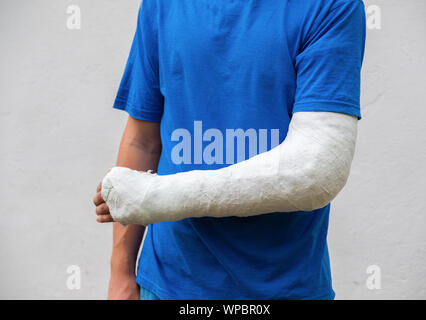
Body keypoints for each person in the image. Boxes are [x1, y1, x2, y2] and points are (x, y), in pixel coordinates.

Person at [93, 0, 366, 300]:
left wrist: (148, 197)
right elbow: (142, 140)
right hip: (168, 283)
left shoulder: (331, 6)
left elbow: (315, 170)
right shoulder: (161, 5)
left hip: (284, 286)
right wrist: (121, 274)